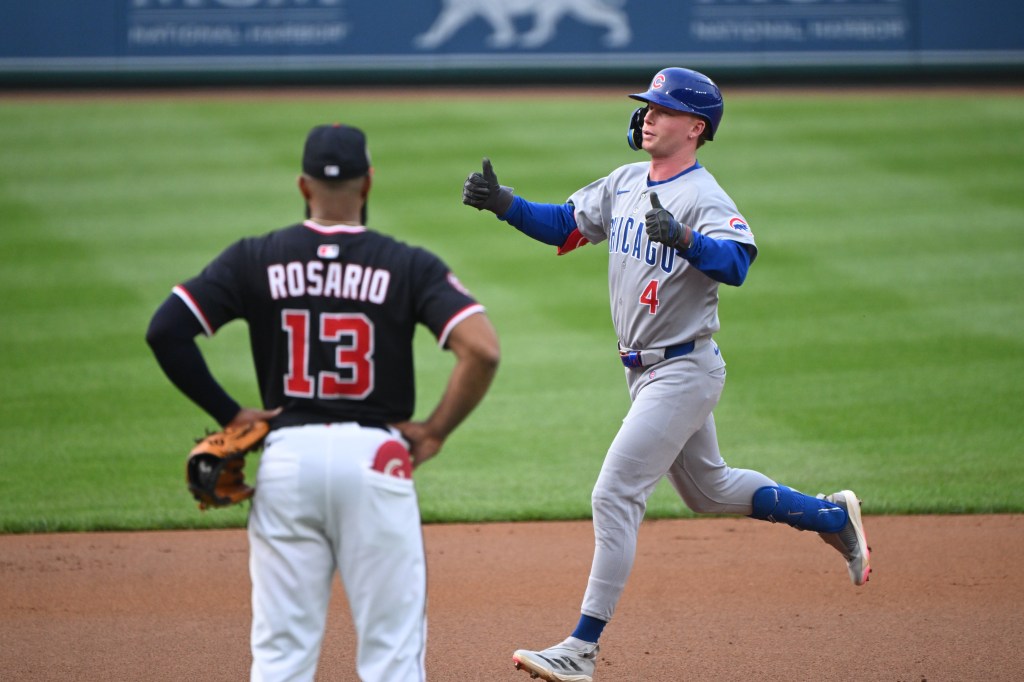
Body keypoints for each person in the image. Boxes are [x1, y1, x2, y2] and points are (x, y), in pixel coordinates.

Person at [462, 67, 870, 682]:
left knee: (614, 493)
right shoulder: (625, 182)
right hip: (645, 372)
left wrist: (683, 238)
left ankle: (581, 648)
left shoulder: (705, 197)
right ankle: (831, 517)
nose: (648, 114)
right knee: (709, 491)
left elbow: (736, 263)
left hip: (684, 368)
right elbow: (565, 223)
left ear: (695, 128)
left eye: (662, 107)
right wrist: (504, 205)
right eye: (646, 106)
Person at [147, 123, 500, 681]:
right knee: (392, 655)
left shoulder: (255, 257)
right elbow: (480, 350)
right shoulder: (407, 264)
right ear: (368, 183)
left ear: (303, 185)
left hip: (287, 462)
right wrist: (433, 432)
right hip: (378, 461)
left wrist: (231, 414)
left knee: (281, 657)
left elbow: (166, 330)